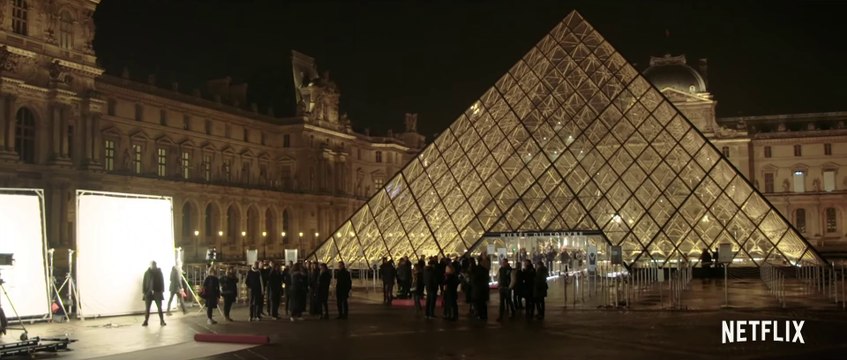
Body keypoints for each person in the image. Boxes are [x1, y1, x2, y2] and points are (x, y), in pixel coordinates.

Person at [142, 261, 166, 326]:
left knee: (159, 308)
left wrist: (162, 290)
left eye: (154, 265)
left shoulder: (159, 272)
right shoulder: (147, 273)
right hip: (148, 292)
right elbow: (144, 282)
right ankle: (146, 321)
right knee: (147, 309)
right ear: (150, 265)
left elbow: (162, 281)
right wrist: (144, 292)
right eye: (152, 265)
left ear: (156, 265)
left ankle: (162, 321)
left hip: (157, 292)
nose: (153, 266)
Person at [471, 255, 490, 321]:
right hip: (483, 289)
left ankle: (479, 315)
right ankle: (484, 315)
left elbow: (473, 280)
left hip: (477, 290)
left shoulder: (476, 269)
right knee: (483, 303)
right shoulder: (485, 270)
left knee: (478, 303)